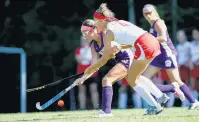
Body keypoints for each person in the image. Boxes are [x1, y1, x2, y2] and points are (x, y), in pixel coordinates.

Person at [75, 3, 167, 115]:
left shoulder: (108, 33)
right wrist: (85, 76)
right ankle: (160, 97)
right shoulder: (119, 23)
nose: (96, 25)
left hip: (141, 47)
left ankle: (154, 105)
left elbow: (104, 60)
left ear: (102, 20)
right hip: (151, 41)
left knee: (124, 79)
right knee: (134, 77)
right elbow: (133, 38)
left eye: (96, 21)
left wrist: (88, 70)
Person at [142, 4, 199, 109]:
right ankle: (171, 90)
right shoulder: (152, 24)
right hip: (159, 56)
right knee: (143, 79)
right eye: (145, 14)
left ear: (155, 11)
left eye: (149, 13)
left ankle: (193, 102)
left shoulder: (159, 23)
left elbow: (163, 38)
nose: (148, 15)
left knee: (177, 81)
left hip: (168, 54)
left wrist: (147, 39)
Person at [75, 37, 99, 110]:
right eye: (82, 40)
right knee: (82, 90)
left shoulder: (93, 49)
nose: (84, 42)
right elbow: (79, 59)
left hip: (92, 73)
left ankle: (96, 106)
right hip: (81, 73)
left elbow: (95, 60)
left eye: (85, 40)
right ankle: (82, 107)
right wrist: (85, 52)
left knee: (94, 90)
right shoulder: (78, 50)